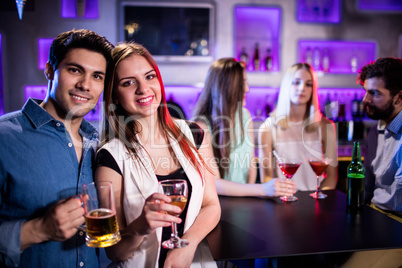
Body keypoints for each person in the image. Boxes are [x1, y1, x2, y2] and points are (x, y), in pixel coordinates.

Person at [95, 42, 221, 268]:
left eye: (149, 77)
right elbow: (114, 252)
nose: (143, 89)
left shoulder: (196, 134)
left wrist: (188, 244)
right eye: (128, 82)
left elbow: (212, 205)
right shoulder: (109, 157)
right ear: (114, 95)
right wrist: (139, 227)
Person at [0, 29, 114, 267]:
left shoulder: (99, 144)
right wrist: (38, 230)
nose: (85, 85)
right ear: (50, 69)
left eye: (97, 76)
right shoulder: (4, 137)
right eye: (75, 70)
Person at [192, 58, 296, 198]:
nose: (247, 89)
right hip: (218, 204)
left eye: (246, 82)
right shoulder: (201, 126)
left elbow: (251, 163)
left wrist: (249, 195)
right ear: (224, 87)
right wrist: (260, 189)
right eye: (241, 84)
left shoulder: (244, 115)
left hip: (245, 200)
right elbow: (214, 183)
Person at [339, 57, 402, 267]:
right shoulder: (376, 131)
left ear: (399, 98)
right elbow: (368, 184)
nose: (365, 99)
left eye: (374, 93)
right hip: (374, 217)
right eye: (366, 91)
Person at [258, 63, 337, 191]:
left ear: (313, 89)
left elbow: (332, 178)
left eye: (308, 84)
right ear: (286, 86)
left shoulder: (326, 126)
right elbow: (267, 178)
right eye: (296, 82)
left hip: (317, 201)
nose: (302, 88)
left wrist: (318, 199)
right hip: (284, 200)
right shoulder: (268, 128)